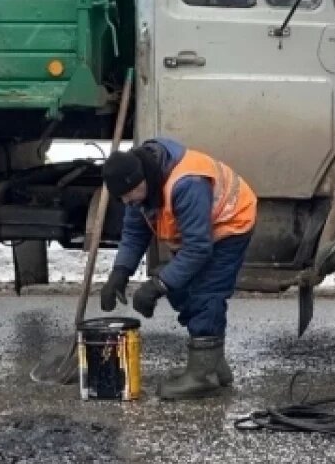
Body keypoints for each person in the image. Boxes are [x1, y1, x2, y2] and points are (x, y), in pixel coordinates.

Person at [98, 138, 256, 400]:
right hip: (201, 234)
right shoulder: (140, 186)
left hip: (231, 222)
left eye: (130, 195)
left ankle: (203, 376)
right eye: (122, 199)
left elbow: (198, 249)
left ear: (142, 180)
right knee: (181, 286)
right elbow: (134, 233)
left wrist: (157, 285)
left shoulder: (186, 184)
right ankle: (214, 366)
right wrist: (120, 273)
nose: (128, 202)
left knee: (206, 292)